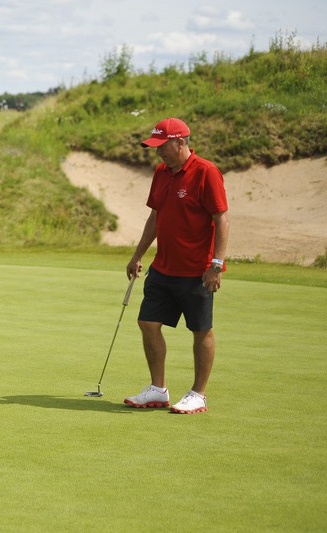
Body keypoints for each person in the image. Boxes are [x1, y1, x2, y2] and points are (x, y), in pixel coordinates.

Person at [124, 118, 230, 414]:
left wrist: (216, 265)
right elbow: (156, 216)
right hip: (163, 268)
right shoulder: (161, 172)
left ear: (180, 143)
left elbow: (221, 220)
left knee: (201, 331)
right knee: (147, 323)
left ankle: (198, 393)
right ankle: (158, 389)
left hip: (197, 271)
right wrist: (137, 255)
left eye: (162, 146)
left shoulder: (206, 172)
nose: (157, 152)